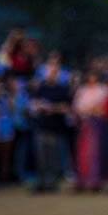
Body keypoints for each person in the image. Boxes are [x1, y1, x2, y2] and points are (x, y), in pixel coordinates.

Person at [30, 62, 71, 192]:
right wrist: (40, 106)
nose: (51, 74)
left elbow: (66, 107)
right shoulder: (40, 88)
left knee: (53, 157)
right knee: (41, 157)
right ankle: (42, 182)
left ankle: (52, 183)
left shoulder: (62, 89)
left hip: (55, 128)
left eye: (54, 72)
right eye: (49, 72)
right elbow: (34, 104)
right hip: (41, 127)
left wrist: (52, 108)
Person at [73, 71, 107, 191]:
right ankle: (82, 180)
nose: (92, 78)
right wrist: (88, 110)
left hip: (98, 123)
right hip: (84, 123)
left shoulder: (102, 90)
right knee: (83, 153)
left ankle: (95, 180)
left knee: (96, 152)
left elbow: (104, 107)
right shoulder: (82, 90)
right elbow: (77, 107)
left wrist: (94, 110)